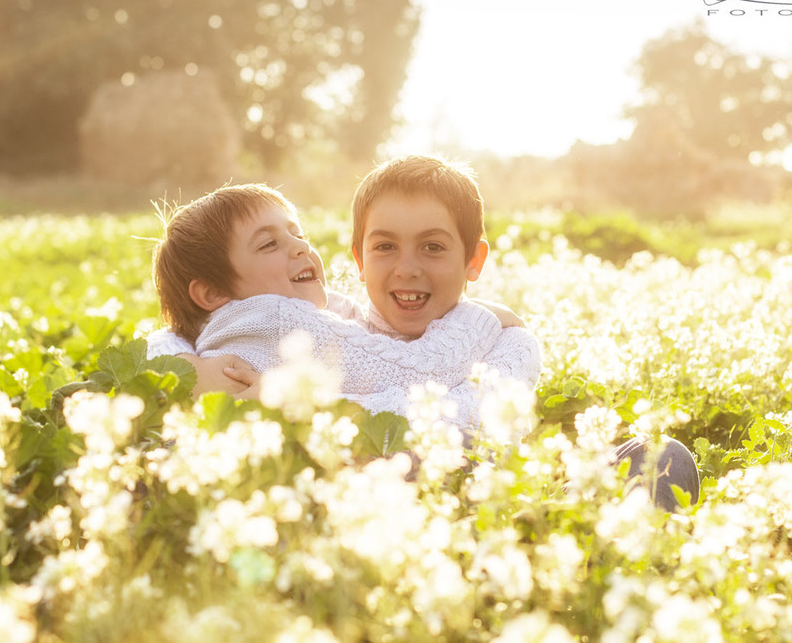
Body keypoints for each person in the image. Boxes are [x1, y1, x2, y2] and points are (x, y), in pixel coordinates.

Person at [216, 155, 700, 510]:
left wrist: (308, 410)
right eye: (385, 247)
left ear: (474, 261)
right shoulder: (330, 323)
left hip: (499, 509)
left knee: (663, 456)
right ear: (359, 261)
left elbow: (470, 420)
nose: (407, 269)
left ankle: (575, 556)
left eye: (432, 247)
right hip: (374, 514)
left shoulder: (508, 341)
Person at [147, 182, 511, 426]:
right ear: (212, 294)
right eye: (268, 244)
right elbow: (421, 371)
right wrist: (484, 317)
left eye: (297, 234)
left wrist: (178, 366)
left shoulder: (232, 326)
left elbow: (361, 328)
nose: (301, 247)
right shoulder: (275, 319)